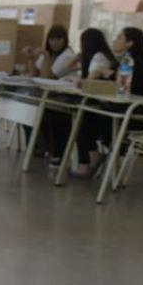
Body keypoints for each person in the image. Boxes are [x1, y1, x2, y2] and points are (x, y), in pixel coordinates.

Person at [25, 24, 78, 165]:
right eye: (52, 39)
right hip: (49, 95)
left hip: (63, 97)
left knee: (47, 112)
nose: (54, 43)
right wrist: (30, 58)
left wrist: (46, 58)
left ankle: (47, 148)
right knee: (26, 105)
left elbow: (47, 78)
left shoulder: (67, 55)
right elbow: (34, 73)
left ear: (65, 40)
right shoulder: (51, 53)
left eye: (58, 39)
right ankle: (38, 146)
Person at [70, 27, 119, 177]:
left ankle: (87, 161)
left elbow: (89, 82)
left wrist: (80, 81)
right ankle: (90, 156)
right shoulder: (104, 55)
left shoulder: (99, 57)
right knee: (78, 114)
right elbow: (69, 67)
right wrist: (78, 57)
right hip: (102, 104)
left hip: (107, 109)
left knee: (79, 118)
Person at [113, 27, 143, 97]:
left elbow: (123, 86)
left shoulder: (130, 60)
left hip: (130, 103)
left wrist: (108, 73)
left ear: (129, 43)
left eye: (119, 38)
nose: (114, 41)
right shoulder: (126, 59)